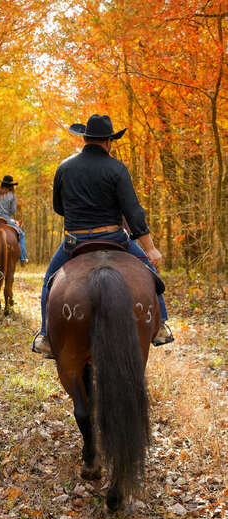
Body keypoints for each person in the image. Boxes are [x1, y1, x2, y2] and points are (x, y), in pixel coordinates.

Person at [32, 114, 174, 356]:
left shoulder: (64, 168)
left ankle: (45, 335)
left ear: (85, 138)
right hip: (114, 238)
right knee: (151, 275)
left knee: (48, 282)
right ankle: (161, 326)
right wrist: (150, 248)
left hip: (74, 241)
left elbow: (58, 208)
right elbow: (133, 211)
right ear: (108, 141)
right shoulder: (117, 168)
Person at [0, 175, 29, 266]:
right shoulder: (12, 195)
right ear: (11, 185)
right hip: (5, 218)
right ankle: (23, 258)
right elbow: (13, 211)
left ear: (2, 183)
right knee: (21, 234)